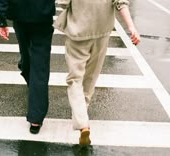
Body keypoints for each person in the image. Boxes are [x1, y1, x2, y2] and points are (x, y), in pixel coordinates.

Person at [54, 0, 140, 145]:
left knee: (75, 79)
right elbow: (122, 3)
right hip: (101, 32)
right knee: (91, 77)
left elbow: (63, 3)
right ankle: (82, 115)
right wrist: (131, 27)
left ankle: (83, 122)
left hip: (78, 32)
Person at [0, 0, 55, 134]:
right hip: (42, 14)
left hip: (21, 14)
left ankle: (36, 117)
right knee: (38, 64)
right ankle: (36, 111)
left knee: (32, 61)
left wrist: (1, 20)